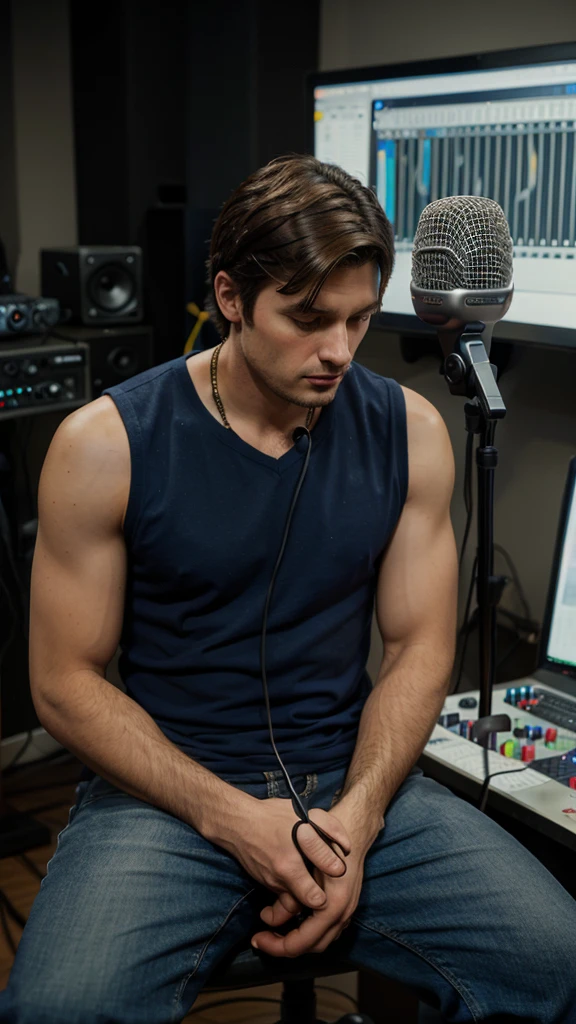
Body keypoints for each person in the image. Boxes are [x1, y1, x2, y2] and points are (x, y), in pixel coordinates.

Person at [1, 154, 575, 1024]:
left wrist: (361, 815)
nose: (339, 351)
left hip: (353, 783)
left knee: (555, 958)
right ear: (230, 298)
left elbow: (420, 646)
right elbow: (64, 684)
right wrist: (235, 818)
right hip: (168, 794)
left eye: (357, 318)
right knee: (59, 1011)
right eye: (308, 319)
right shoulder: (105, 443)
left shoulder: (412, 432)